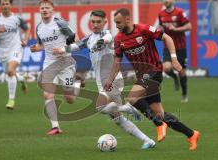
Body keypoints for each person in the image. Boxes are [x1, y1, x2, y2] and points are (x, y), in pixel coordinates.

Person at [54, 10, 156, 149]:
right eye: (93, 22)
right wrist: (61, 50)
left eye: (98, 22)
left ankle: (128, 108)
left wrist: (102, 42)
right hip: (101, 82)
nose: (95, 24)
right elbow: (76, 46)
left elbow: (108, 38)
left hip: (112, 80)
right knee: (117, 119)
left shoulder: (106, 35)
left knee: (99, 107)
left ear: (105, 22)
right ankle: (147, 140)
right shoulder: (89, 38)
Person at [103, 8, 200, 151]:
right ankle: (191, 134)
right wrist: (110, 80)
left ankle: (159, 125)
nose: (116, 25)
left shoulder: (143, 29)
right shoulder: (118, 39)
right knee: (160, 114)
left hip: (154, 71)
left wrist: (173, 59)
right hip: (142, 77)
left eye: (118, 22)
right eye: (115, 22)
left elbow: (167, 38)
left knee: (132, 97)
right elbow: (117, 61)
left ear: (128, 19)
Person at [30, 0, 80, 135]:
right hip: (49, 63)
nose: (45, 10)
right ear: (39, 10)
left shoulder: (61, 23)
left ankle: (77, 84)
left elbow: (77, 40)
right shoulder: (39, 27)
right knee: (47, 94)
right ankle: (55, 127)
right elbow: (41, 45)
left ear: (52, 9)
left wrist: (63, 49)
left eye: (47, 7)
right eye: (42, 8)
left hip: (65, 63)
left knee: (69, 99)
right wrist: (36, 48)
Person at [0, 0, 30, 109]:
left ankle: (11, 100)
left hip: (16, 48)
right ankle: (21, 79)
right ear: (0, 5)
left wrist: (25, 40)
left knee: (10, 71)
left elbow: (27, 29)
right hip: (3, 52)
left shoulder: (17, 18)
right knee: (10, 73)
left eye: (7, 3)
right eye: (3, 4)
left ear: (10, 5)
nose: (5, 5)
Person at [158, 0, 192, 102]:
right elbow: (161, 27)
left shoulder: (180, 12)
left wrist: (175, 29)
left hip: (180, 47)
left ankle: (184, 94)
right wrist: (159, 30)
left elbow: (189, 26)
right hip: (167, 46)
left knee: (181, 71)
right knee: (166, 68)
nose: (165, 1)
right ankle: (174, 77)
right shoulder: (161, 14)